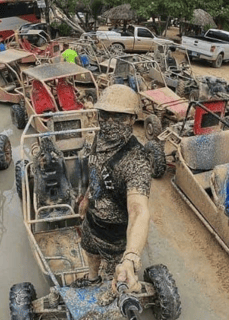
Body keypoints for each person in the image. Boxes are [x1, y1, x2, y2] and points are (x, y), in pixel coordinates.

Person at [71, 84, 152, 304]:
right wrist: (87, 199)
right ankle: (92, 279)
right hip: (92, 221)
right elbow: (96, 170)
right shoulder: (100, 139)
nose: (108, 122)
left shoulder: (136, 162)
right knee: (90, 251)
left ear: (132, 120)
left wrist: (131, 257)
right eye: (104, 115)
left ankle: (110, 291)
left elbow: (139, 210)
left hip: (116, 237)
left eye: (118, 117)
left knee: (117, 274)